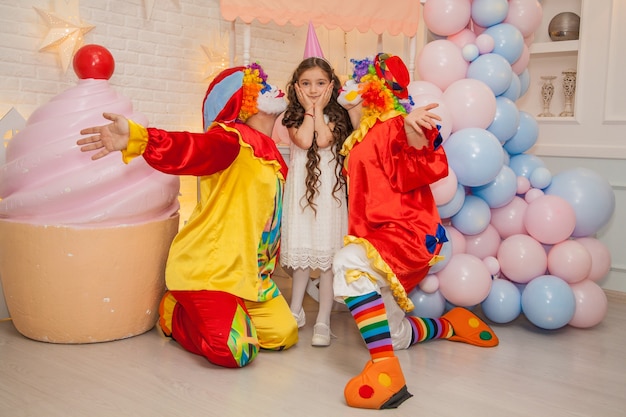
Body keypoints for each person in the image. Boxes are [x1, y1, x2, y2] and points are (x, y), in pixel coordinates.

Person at [77, 63, 298, 368]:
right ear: (244, 100)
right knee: (237, 351)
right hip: (210, 272)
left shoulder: (269, 151)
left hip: (249, 277)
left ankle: (229, 314)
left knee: (283, 335)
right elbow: (191, 148)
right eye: (259, 86)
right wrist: (140, 138)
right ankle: (174, 313)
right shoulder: (230, 139)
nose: (271, 88)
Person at [333, 53, 499, 409]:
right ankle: (449, 326)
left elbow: (424, 164)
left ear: (373, 89)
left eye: (356, 79)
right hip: (376, 237)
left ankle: (385, 375)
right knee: (393, 335)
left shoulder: (393, 125)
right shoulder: (362, 135)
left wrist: (413, 131)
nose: (347, 84)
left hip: (402, 235)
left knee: (348, 263)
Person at [280, 57, 352, 347]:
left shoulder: (338, 115)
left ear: (331, 86)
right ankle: (295, 311)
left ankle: (323, 318)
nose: (313, 89)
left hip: (328, 196)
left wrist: (319, 109)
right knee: (300, 257)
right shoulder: (293, 116)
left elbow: (322, 141)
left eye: (320, 83)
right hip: (300, 193)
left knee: (327, 258)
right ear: (297, 87)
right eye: (306, 83)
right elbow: (304, 140)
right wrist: (310, 110)